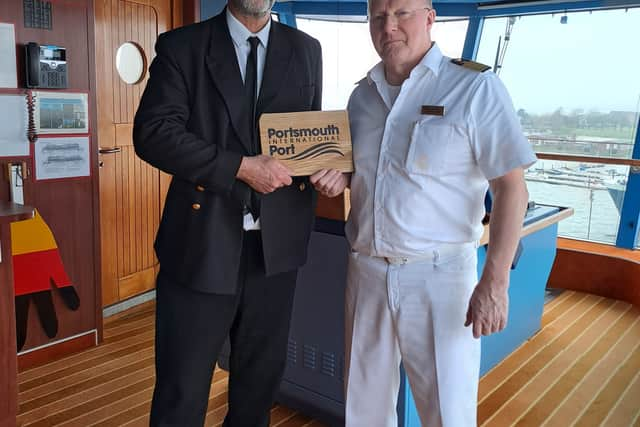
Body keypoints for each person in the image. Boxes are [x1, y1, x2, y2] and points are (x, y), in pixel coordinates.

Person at [312, 0, 536, 425]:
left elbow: (511, 189)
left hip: (440, 278)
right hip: (367, 274)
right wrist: (344, 174)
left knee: (446, 413)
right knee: (362, 410)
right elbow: (363, 169)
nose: (388, 26)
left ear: (430, 18)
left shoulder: (474, 87)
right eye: (378, 17)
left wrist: (495, 281)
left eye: (401, 14)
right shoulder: (361, 96)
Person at [133, 0, 322, 425]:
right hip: (200, 244)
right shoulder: (183, 46)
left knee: (258, 386)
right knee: (182, 389)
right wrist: (239, 167)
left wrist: (331, 168)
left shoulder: (307, 49)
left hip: (276, 251)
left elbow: (309, 137)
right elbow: (153, 133)